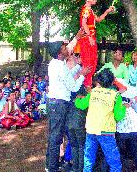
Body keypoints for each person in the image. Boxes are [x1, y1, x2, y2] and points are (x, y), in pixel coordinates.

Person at [45, 35, 90, 172]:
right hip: (59, 105)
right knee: (56, 136)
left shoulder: (55, 63)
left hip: (54, 103)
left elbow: (67, 77)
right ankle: (52, 167)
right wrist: (82, 74)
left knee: (55, 134)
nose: (68, 50)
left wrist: (77, 36)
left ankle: (51, 164)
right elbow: (74, 87)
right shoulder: (60, 67)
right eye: (64, 48)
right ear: (60, 53)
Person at [75, 69, 126, 172]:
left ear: (99, 81)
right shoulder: (116, 95)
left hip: (91, 130)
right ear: (112, 82)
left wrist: (77, 100)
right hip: (106, 131)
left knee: (88, 159)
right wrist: (124, 107)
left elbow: (82, 105)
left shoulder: (93, 92)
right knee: (114, 162)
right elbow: (118, 116)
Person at [78, 0, 114, 89]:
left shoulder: (90, 10)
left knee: (93, 63)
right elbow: (84, 23)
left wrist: (107, 11)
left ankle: (88, 86)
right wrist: (89, 36)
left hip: (91, 38)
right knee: (88, 63)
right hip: (87, 39)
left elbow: (98, 20)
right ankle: (87, 87)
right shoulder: (86, 10)